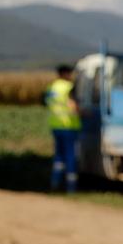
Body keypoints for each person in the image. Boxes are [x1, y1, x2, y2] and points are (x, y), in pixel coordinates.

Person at [44, 64, 81, 193]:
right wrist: (85, 113)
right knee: (71, 156)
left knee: (59, 157)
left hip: (55, 126)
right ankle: (71, 187)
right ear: (66, 74)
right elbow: (73, 107)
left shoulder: (51, 88)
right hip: (69, 126)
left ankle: (55, 183)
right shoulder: (68, 87)